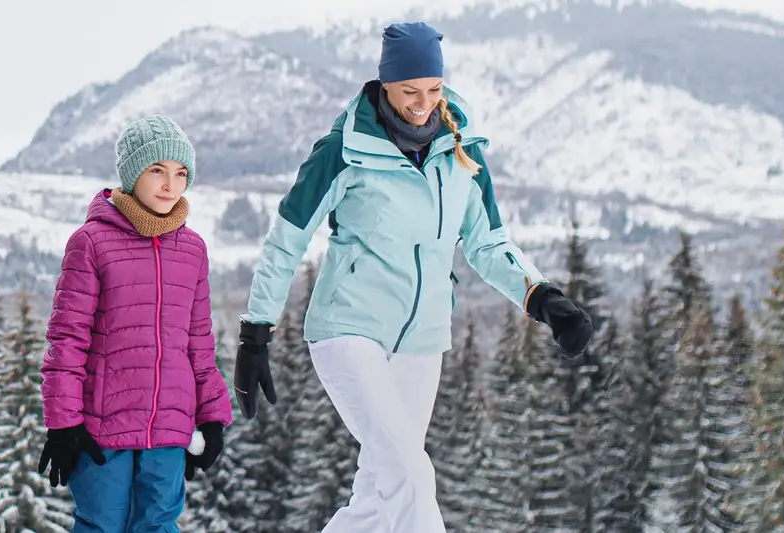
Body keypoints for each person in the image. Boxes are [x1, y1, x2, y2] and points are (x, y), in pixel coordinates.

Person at [232, 22, 593, 533]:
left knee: (378, 493)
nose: (423, 103)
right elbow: (287, 238)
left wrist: (542, 297)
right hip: (348, 329)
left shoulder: (462, 149)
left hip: (422, 339)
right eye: (409, 92)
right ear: (385, 85)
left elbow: (488, 242)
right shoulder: (343, 149)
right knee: (409, 479)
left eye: (433, 90)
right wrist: (256, 330)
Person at [39, 115, 232, 532]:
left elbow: (198, 342)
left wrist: (213, 417)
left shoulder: (193, 250)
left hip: (169, 429)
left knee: (159, 524)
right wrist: (63, 424)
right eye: (157, 170)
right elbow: (66, 340)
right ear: (131, 174)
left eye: (181, 174)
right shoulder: (91, 243)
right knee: (101, 524)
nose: (170, 185)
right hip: (101, 431)